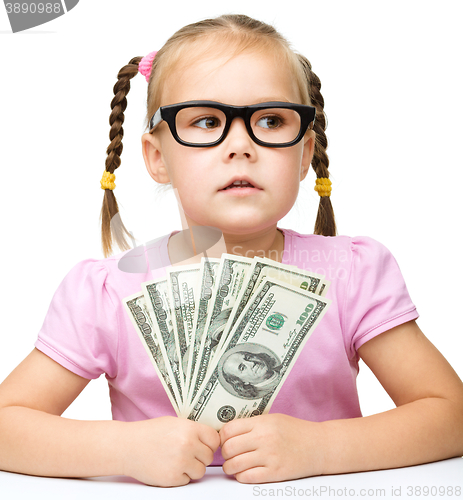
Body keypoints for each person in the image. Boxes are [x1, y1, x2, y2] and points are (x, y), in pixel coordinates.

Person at [0, 13, 463, 488]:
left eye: (270, 120)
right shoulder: (105, 292)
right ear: (157, 157)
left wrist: (323, 448)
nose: (240, 145)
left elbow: (451, 415)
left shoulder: (352, 274)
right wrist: (125, 450)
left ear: (304, 154)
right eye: (206, 121)